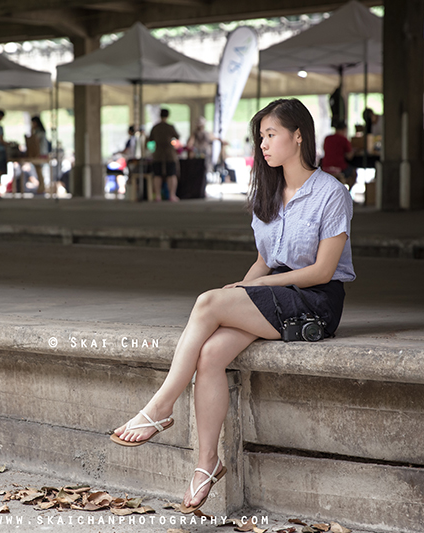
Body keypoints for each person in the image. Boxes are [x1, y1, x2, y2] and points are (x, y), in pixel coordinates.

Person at [112, 98, 355, 513]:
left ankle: (160, 407)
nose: (263, 144)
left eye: (271, 135)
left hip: (315, 303)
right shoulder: (268, 191)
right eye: (260, 136)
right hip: (276, 295)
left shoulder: (331, 194)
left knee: (209, 302)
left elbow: (319, 272)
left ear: (299, 136)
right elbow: (264, 259)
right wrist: (246, 285)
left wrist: (247, 291)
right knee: (210, 353)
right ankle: (207, 464)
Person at [149, 108, 180, 202]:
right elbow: (177, 136)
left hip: (157, 153)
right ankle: (172, 195)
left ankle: (158, 195)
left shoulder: (155, 127)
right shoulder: (170, 127)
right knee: (171, 174)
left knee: (157, 175)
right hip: (169, 154)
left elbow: (150, 139)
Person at [322, 120, 355, 189]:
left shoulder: (327, 138)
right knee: (354, 173)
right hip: (339, 167)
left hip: (325, 166)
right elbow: (349, 156)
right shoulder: (344, 139)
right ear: (344, 130)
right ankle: (348, 192)